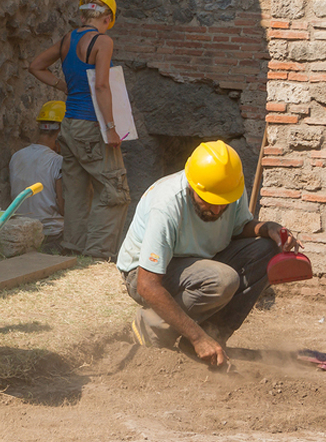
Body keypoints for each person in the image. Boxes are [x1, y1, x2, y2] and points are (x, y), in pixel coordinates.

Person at [116, 140, 301, 367]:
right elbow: (147, 285)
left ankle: (212, 337)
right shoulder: (166, 205)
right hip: (144, 274)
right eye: (209, 202)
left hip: (200, 261)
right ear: (193, 187)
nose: (216, 210)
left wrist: (268, 228)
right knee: (222, 280)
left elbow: (238, 227)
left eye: (223, 204)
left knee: (267, 250)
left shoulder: (229, 190)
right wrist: (197, 337)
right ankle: (153, 327)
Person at [28, 0, 130, 261]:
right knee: (113, 189)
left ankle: (72, 247)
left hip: (69, 125)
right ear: (107, 17)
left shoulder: (67, 39)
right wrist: (110, 127)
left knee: (75, 190)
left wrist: (63, 86)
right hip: (91, 124)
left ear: (84, 13)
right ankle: (97, 255)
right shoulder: (102, 41)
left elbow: (36, 65)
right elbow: (101, 85)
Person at [9, 101, 66, 252]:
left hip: (22, 230)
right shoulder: (58, 162)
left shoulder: (17, 156)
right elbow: (63, 208)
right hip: (51, 234)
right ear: (61, 130)